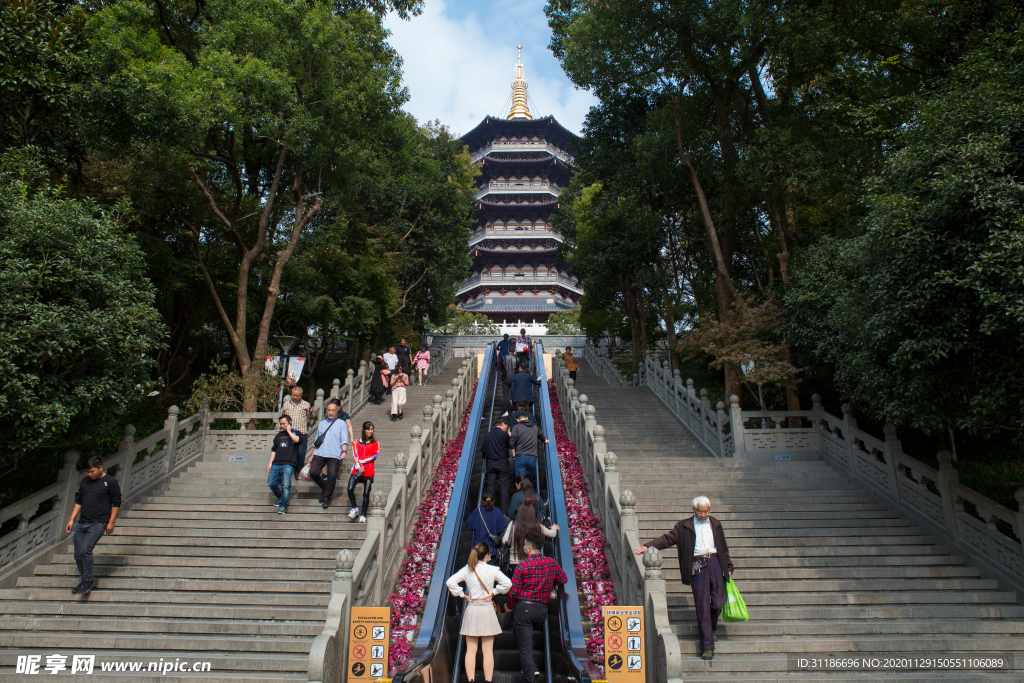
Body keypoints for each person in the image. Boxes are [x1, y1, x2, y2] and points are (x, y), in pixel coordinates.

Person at [634, 495, 733, 661]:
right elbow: (667, 540)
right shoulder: (683, 526)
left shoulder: (715, 523)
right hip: (698, 565)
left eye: (706, 511)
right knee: (702, 607)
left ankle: (710, 626)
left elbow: (723, 547)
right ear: (693, 510)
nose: (703, 514)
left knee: (717, 603)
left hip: (715, 562)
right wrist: (647, 545)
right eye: (700, 512)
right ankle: (707, 647)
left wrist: (728, 567)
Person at [446, 543, 512, 683]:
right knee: (488, 651)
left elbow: (450, 582)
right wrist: (493, 592)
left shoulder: (467, 569)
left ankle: (471, 680)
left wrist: (463, 595)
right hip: (487, 608)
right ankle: (488, 681)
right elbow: (508, 583)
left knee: (471, 650)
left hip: (472, 609)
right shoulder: (492, 570)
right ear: (487, 555)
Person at [507, 532, 566, 683]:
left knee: (525, 648)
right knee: (525, 640)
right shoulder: (551, 563)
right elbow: (563, 578)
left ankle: (530, 677)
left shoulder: (522, 566)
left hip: (525, 608)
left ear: (528, 548)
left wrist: (509, 606)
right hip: (542, 610)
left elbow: (514, 591)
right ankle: (533, 667)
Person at [65, 456, 122, 595]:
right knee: (78, 554)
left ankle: (89, 580)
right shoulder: (85, 482)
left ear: (100, 468)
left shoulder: (110, 482)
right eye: (87, 472)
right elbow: (79, 501)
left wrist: (111, 522)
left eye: (92, 471)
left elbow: (116, 502)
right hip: (82, 522)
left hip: (98, 523)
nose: (90, 474)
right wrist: (72, 519)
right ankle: (84, 580)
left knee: (85, 549)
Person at [308, 399, 350, 509]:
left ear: (337, 411)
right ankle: (326, 487)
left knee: (332, 476)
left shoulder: (342, 424)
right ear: (326, 411)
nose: (331, 413)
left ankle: (327, 497)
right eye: (329, 410)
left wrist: (344, 452)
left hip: (334, 454)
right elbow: (317, 441)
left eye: (333, 410)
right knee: (313, 472)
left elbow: (344, 440)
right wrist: (312, 454)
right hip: (320, 452)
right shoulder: (322, 423)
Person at [503, 491, 557, 570]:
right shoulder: (536, 525)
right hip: (530, 563)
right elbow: (552, 534)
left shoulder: (513, 524)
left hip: (514, 562)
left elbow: (504, 540)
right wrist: (554, 528)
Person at [268, 415, 301, 513]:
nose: (282, 426)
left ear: (289, 422)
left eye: (284, 423)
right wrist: (270, 463)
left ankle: (283, 506)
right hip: (276, 463)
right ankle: (280, 497)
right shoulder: (278, 435)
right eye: (281, 424)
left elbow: (297, 440)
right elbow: (274, 449)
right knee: (271, 483)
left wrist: (289, 431)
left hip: (288, 463)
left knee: (285, 485)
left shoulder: (295, 433)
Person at [281, 386, 315, 480]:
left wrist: (311, 412)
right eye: (293, 395)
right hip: (288, 433)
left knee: (301, 453)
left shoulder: (305, 404)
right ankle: (285, 472)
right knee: (287, 453)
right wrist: (278, 432)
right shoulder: (286, 405)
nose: (295, 397)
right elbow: (281, 418)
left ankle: (298, 472)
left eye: (297, 396)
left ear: (301, 395)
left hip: (301, 432)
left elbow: (311, 418)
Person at [348, 421, 378, 523]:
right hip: (356, 470)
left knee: (366, 493)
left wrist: (361, 462)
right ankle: (354, 508)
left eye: (371, 429)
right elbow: (355, 455)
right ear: (363, 430)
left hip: (368, 470)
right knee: (350, 488)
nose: (370, 431)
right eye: (368, 429)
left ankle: (363, 514)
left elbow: (374, 456)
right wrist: (359, 466)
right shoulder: (356, 442)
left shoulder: (375, 443)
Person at [481, 417, 513, 513]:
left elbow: (483, 450)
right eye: (505, 426)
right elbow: (510, 445)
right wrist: (509, 436)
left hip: (490, 463)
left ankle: (489, 509)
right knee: (504, 487)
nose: (505, 428)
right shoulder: (504, 435)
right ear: (503, 424)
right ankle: (504, 512)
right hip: (502, 463)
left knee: (490, 487)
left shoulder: (487, 436)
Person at [509, 411, 547, 491]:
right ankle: (531, 497)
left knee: (521, 481)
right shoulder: (535, 427)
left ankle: (523, 499)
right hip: (532, 458)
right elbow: (542, 436)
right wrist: (545, 441)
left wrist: (513, 456)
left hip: (520, 457)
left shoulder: (516, 427)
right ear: (527, 418)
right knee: (528, 481)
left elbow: (511, 442)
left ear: (517, 420)